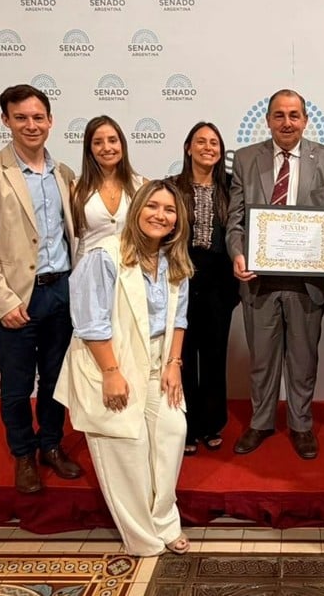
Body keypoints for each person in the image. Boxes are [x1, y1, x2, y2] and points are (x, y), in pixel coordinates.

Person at [54, 179, 194, 556]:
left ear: (178, 220)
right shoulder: (104, 255)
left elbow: (179, 318)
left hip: (158, 360)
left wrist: (174, 362)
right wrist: (111, 373)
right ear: (137, 210)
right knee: (126, 453)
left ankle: (164, 521)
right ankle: (142, 538)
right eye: (153, 206)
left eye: (169, 210)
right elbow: (90, 323)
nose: (160, 215)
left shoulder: (174, 259)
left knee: (172, 431)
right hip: (111, 361)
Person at [0, 84, 82, 494]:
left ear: (50, 121)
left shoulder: (65, 175)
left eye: (38, 117)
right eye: (21, 118)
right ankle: (23, 454)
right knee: (16, 386)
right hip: (15, 299)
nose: (31, 125)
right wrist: (3, 301)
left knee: (56, 380)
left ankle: (51, 445)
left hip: (61, 292)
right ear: (6, 120)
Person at [227, 88, 324, 460]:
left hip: (308, 284)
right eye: (279, 115)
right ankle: (260, 422)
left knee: (302, 359)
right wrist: (237, 253)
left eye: (294, 115)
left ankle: (301, 425)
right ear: (267, 120)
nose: (287, 122)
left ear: (305, 120)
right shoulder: (246, 159)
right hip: (259, 281)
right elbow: (235, 220)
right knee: (262, 360)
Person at [172, 122, 238, 456]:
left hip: (220, 284)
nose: (208, 147)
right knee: (183, 357)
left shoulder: (232, 187)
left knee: (214, 356)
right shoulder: (172, 187)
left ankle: (212, 423)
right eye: (201, 141)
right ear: (188, 147)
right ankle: (186, 426)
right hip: (181, 280)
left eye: (214, 142)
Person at [72, 116, 146, 253]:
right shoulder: (75, 189)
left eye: (112, 140)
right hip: (87, 264)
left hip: (128, 264)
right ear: (89, 149)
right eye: (98, 143)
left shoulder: (142, 186)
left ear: (122, 144)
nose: (106, 148)